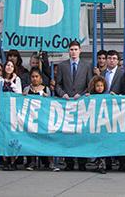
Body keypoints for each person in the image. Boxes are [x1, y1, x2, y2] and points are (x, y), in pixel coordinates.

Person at [55, 41, 93, 171]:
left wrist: (81, 94)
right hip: (66, 104)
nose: (73, 52)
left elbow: (90, 85)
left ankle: (82, 162)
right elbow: (58, 84)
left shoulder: (87, 66)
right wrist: (63, 94)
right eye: (71, 49)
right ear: (68, 51)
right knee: (68, 134)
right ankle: (69, 162)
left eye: (76, 49)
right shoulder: (62, 66)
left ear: (80, 50)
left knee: (81, 133)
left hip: (81, 104)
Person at [0, 60, 23, 171]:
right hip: (2, 111)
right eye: (7, 65)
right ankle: (5, 160)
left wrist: (11, 81)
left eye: (11, 65)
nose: (9, 67)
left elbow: (18, 93)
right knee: (3, 136)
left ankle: (13, 160)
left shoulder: (17, 79)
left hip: (13, 111)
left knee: (14, 136)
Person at [22, 67, 52, 171]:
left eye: (37, 76)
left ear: (40, 78)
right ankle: (32, 161)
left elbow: (50, 104)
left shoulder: (46, 89)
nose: (34, 79)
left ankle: (48, 162)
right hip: (30, 120)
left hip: (42, 120)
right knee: (31, 140)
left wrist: (46, 97)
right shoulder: (26, 89)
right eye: (33, 77)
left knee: (44, 140)